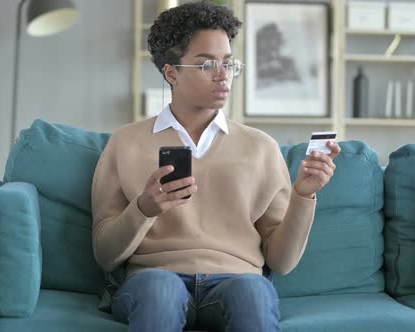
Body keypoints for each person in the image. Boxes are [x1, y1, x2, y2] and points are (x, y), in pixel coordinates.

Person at [91, 1, 340, 331]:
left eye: (228, 63)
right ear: (171, 72)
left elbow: (281, 262)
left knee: (252, 290)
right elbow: (105, 255)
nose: (223, 75)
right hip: (152, 281)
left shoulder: (260, 147)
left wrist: (303, 196)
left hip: (237, 280)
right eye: (207, 64)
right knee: (160, 289)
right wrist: (143, 209)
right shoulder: (125, 143)